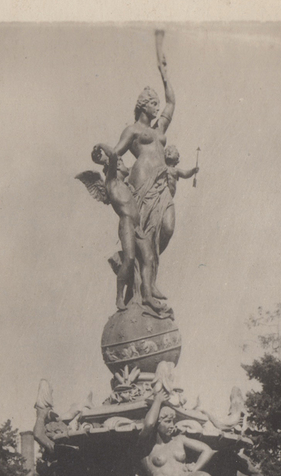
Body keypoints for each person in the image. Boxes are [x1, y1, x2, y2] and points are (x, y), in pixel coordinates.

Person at [76, 145, 167, 314]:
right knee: (129, 259)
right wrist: (102, 146)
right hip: (126, 224)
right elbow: (113, 155)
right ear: (117, 166)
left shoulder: (125, 186)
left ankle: (147, 295)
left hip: (137, 227)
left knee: (149, 258)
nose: (127, 167)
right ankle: (119, 296)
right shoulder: (111, 182)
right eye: (123, 164)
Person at [112, 55, 176, 263]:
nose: (157, 108)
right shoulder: (132, 130)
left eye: (158, 104)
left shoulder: (159, 129)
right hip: (142, 182)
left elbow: (171, 103)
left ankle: (145, 262)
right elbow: (115, 153)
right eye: (154, 104)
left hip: (161, 183)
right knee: (143, 230)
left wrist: (164, 75)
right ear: (143, 105)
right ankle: (141, 264)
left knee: (168, 227)